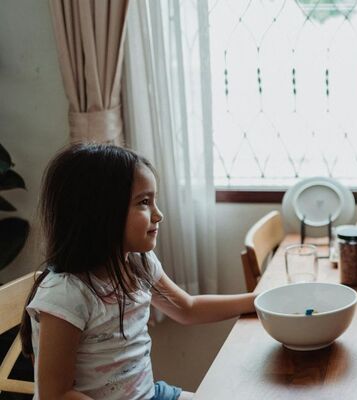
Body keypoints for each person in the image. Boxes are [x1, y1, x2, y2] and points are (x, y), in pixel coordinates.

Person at [19, 143, 258, 400]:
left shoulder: (138, 263)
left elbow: (187, 308)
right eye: (144, 202)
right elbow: (56, 395)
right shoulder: (66, 293)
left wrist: (259, 301)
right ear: (100, 212)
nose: (159, 215)